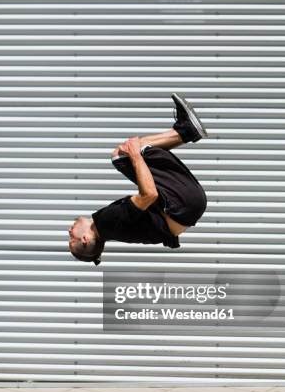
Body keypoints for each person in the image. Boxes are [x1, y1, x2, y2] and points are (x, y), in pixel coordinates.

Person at [68, 93, 208, 265]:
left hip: (189, 206)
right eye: (71, 236)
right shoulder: (107, 222)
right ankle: (185, 131)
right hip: (181, 203)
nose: (70, 229)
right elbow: (149, 194)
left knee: (129, 155)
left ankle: (185, 131)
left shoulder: (113, 230)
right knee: (121, 156)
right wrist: (135, 156)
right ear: (84, 239)